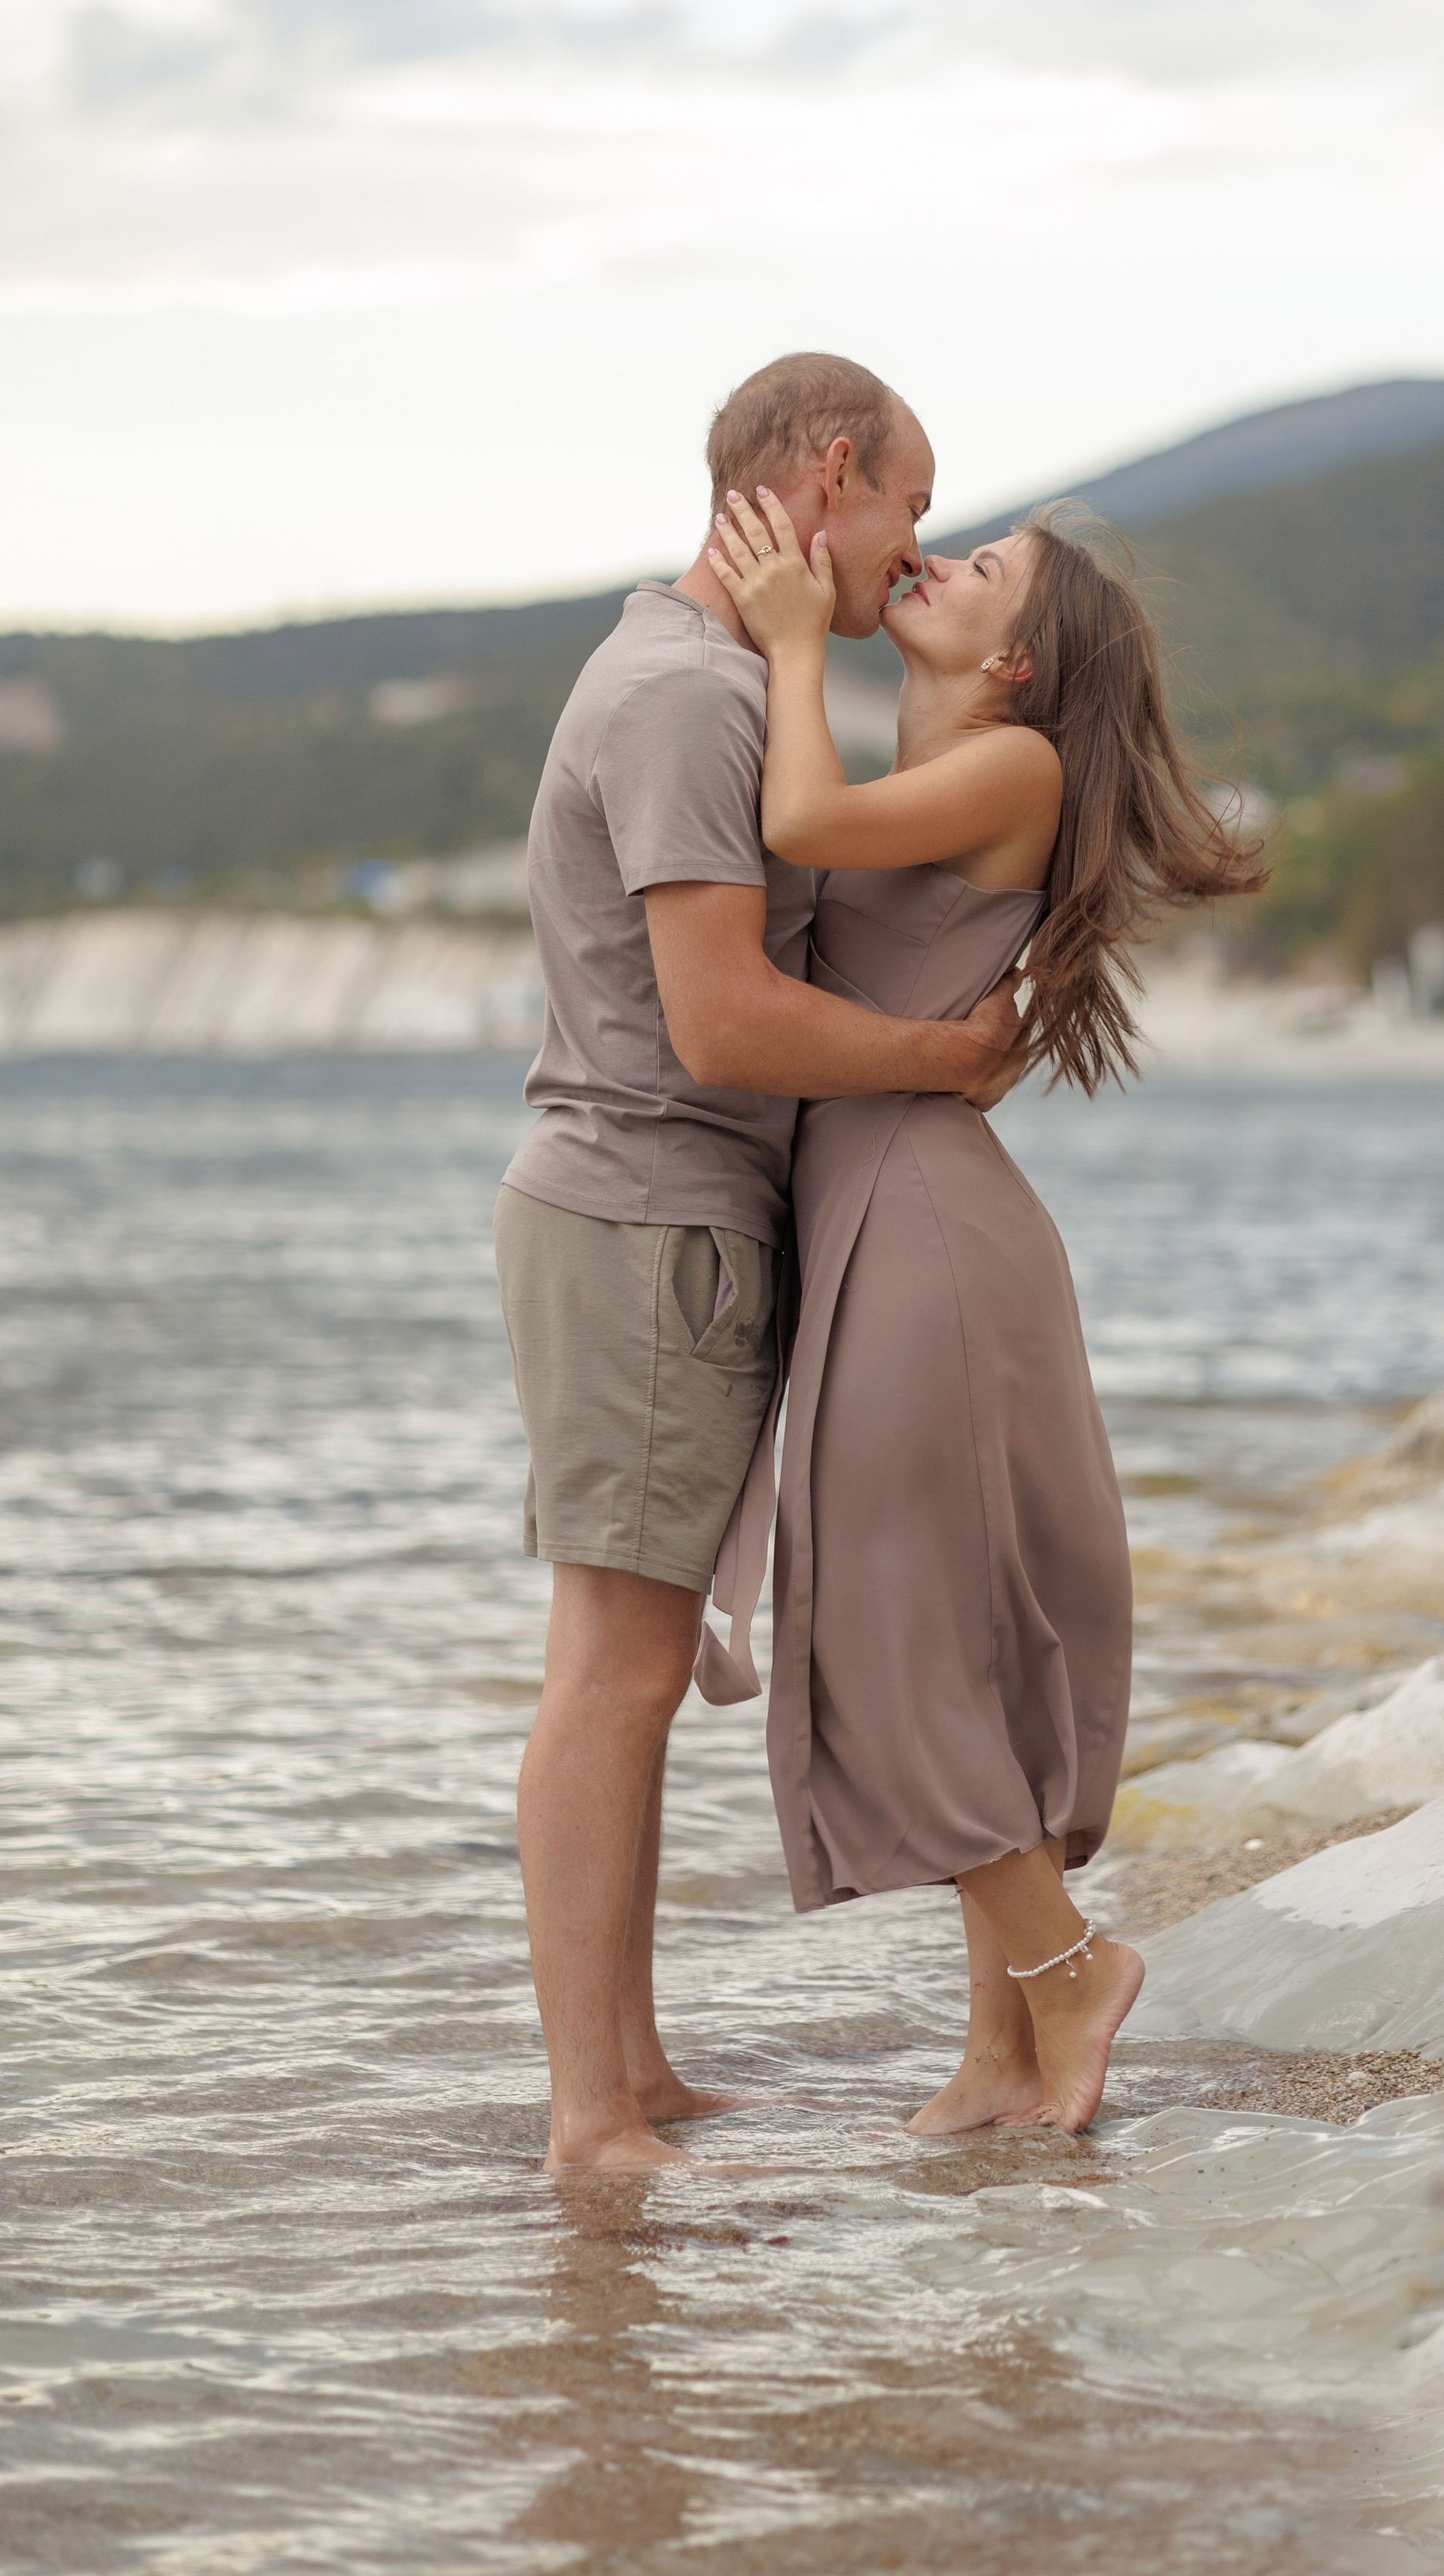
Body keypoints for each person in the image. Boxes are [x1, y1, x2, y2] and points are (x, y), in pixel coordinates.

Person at [495, 354, 1025, 2176]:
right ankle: (590, 2122)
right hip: (644, 1213)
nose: (914, 547)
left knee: (627, 1663)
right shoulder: (688, 699)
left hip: (653, 1217)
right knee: (617, 1670)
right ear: (829, 475)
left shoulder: (708, 680)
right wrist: (948, 1059)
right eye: (911, 504)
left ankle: (630, 2076)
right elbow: (720, 1020)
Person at [702, 483, 1264, 2133]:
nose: (938, 561)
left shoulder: (1012, 767)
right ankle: (1002, 2052)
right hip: (896, 1214)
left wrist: (792, 639)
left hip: (924, 1230)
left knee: (894, 1625)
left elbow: (799, 821)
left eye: (983, 565)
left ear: (1019, 662)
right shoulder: (953, 764)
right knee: (949, 1625)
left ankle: (1069, 1976)